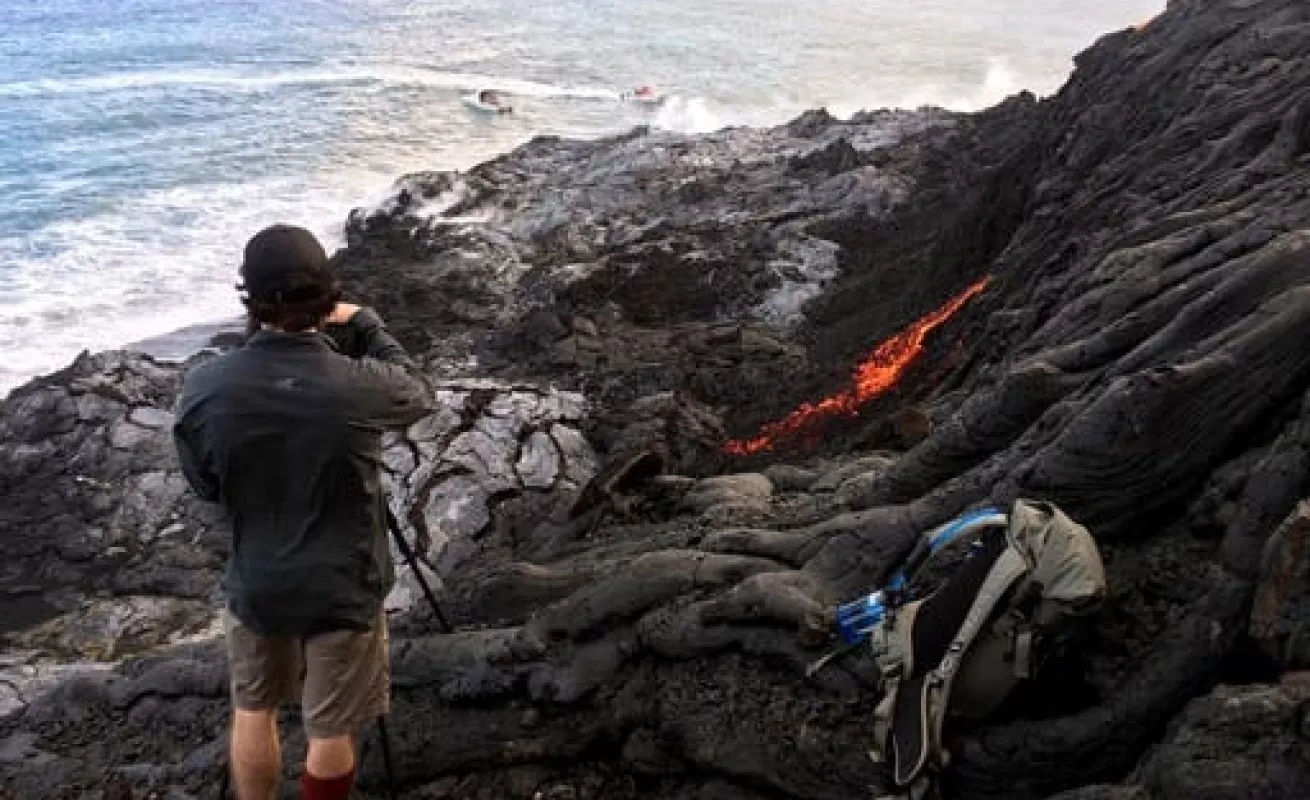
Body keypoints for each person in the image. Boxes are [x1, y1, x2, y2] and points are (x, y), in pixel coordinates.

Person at [172, 224, 435, 800]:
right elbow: (418, 391)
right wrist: (367, 326)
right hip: (344, 581)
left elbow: (205, 485)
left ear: (250, 298)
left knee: (253, 707)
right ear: (326, 295)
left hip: (259, 580)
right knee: (331, 726)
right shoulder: (355, 384)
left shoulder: (205, 387)